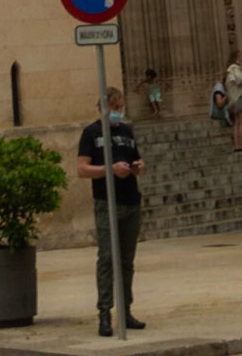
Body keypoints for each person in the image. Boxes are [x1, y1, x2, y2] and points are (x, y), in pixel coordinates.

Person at [76, 85, 146, 335]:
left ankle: (126, 311)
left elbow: (137, 158)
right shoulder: (91, 133)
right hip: (107, 202)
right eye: (115, 107)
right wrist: (110, 169)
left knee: (127, 260)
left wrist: (138, 166)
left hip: (131, 200)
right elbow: (82, 169)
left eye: (121, 107)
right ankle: (104, 313)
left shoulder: (127, 131)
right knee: (107, 258)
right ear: (104, 108)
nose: (119, 112)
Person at [224, 54, 242, 153]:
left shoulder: (228, 72)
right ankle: (240, 145)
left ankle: (237, 145)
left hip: (233, 99)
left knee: (236, 123)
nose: (241, 58)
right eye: (239, 56)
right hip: (239, 97)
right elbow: (240, 80)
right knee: (241, 122)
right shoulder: (235, 68)